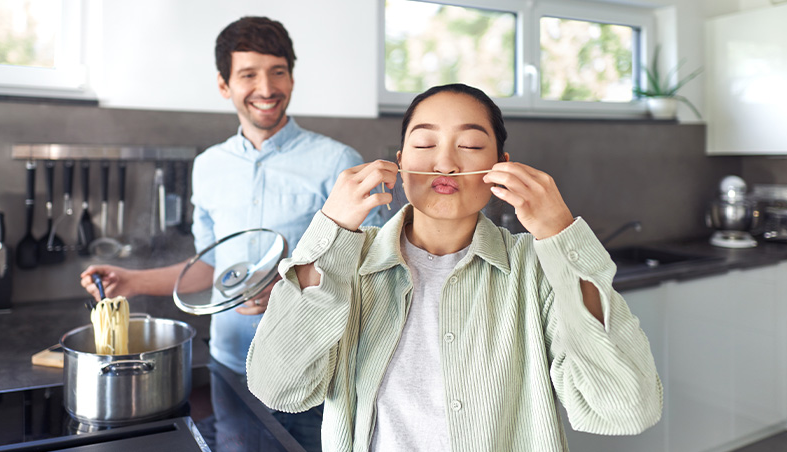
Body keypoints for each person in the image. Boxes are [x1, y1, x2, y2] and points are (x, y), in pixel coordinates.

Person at [246, 83, 663, 451]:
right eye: (424, 145)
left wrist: (561, 235)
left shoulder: (534, 269)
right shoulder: (346, 262)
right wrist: (331, 231)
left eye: (470, 146)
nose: (444, 164)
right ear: (400, 160)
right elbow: (279, 387)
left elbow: (625, 409)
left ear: (501, 162)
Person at [80, 16, 377, 451]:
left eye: (278, 71)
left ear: (292, 77)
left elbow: (372, 268)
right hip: (230, 365)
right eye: (249, 74)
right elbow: (212, 266)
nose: (266, 87)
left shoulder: (338, 162)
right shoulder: (209, 166)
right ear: (225, 85)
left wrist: (291, 287)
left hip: (311, 369)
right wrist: (132, 280)